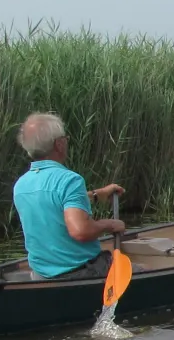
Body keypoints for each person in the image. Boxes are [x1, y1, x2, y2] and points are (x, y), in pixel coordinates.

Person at [12, 112, 129, 280]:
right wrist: (109, 224)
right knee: (144, 268)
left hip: (41, 274)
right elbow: (81, 231)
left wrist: (97, 195)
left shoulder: (21, 185)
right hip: (79, 271)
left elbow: (54, 202)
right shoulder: (69, 180)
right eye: (65, 138)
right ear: (59, 144)